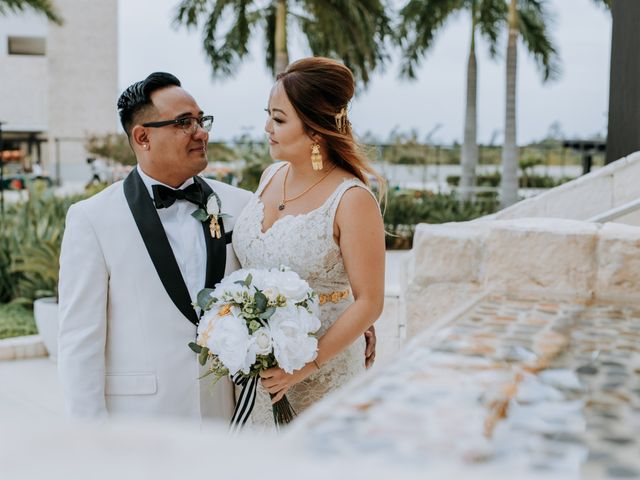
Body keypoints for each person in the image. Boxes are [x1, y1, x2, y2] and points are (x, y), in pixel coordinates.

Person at [57, 72, 252, 420]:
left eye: (201, 120)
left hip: (226, 418)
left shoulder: (242, 205)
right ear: (143, 137)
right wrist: (90, 442)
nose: (201, 132)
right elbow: (79, 341)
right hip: (140, 424)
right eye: (183, 123)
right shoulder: (92, 219)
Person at [232, 57, 385, 429]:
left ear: (316, 131)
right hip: (262, 376)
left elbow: (370, 301)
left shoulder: (352, 199)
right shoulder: (270, 175)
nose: (267, 127)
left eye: (280, 119)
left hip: (320, 377)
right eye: (268, 114)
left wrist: (303, 367)